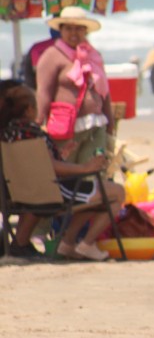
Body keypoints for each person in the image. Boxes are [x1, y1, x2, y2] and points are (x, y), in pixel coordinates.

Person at [1, 83, 125, 261]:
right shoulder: (33, 133)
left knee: (97, 194)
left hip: (17, 192)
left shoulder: (7, 133)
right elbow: (49, 167)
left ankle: (67, 243)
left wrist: (62, 155)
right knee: (116, 192)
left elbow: (36, 164)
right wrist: (85, 168)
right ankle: (84, 244)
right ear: (29, 110)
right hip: (49, 192)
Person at [35, 7, 116, 164]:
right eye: (69, 28)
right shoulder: (51, 56)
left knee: (94, 173)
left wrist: (110, 125)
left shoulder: (94, 56)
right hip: (66, 129)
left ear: (86, 31)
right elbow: (43, 92)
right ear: (61, 30)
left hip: (96, 125)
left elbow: (103, 91)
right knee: (67, 174)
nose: (74, 33)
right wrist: (38, 123)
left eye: (79, 28)